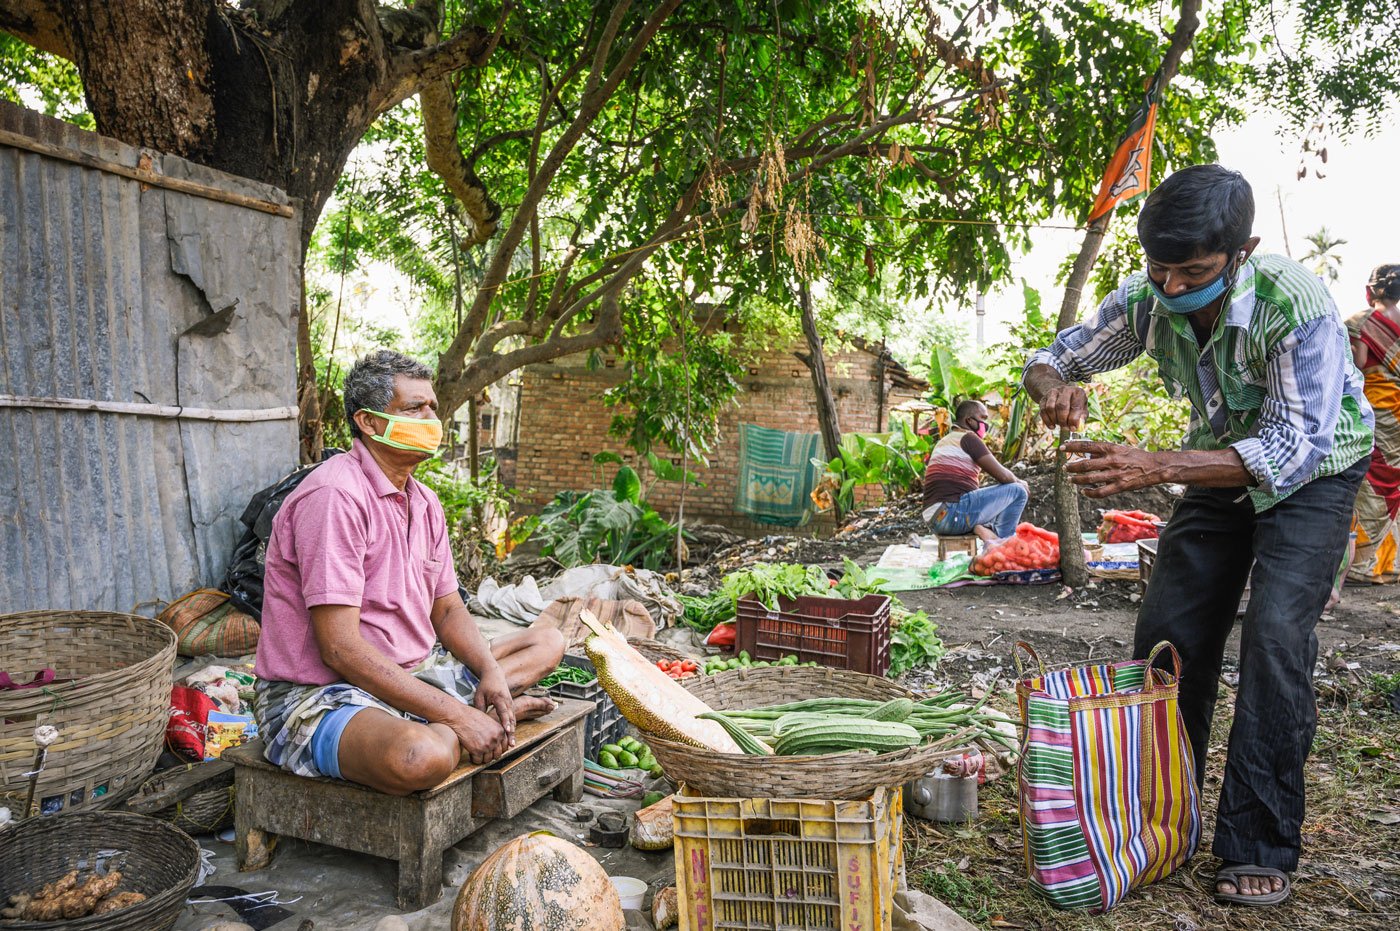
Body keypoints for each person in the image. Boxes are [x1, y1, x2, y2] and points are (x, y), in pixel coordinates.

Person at [1022, 164, 1372, 908]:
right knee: (1168, 633)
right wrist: (1056, 389)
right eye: (1160, 269)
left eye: (1194, 271)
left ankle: (1256, 840)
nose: (1174, 288)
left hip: (1314, 473)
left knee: (1276, 636)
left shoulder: (1294, 305)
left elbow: (1291, 447)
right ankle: (1159, 814)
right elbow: (1057, 354)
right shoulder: (1150, 297)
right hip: (1219, 468)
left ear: (1241, 251)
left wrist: (1156, 463)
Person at [253, 350, 565, 795]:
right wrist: (458, 717)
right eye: (413, 408)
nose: (430, 418)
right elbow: (340, 651)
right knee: (421, 757)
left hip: (416, 675)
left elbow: (448, 610)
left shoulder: (425, 502)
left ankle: (459, 713)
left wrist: (490, 671)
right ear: (369, 422)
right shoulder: (334, 497)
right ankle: (463, 723)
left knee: (547, 640)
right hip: (322, 696)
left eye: (432, 407)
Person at [1345, 264, 1400, 583]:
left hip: (1377, 410)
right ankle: (1388, 562)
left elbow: (1356, 368)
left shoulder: (1359, 323)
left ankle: (1363, 564)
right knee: (1394, 483)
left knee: (1372, 480)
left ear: (1371, 291)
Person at [921, 398, 1029, 543]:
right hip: (950, 514)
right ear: (970, 421)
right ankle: (1003, 545)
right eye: (983, 418)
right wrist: (1021, 482)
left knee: (996, 495)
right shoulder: (968, 438)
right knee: (1018, 491)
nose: (986, 424)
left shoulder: (946, 440)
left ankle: (987, 532)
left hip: (935, 519)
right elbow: (1004, 476)